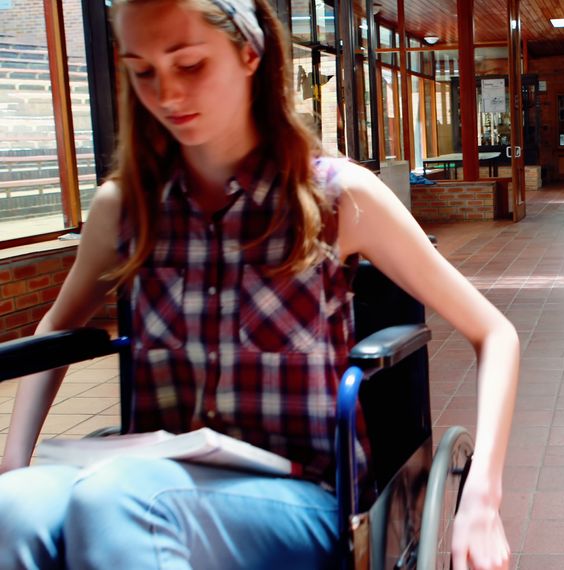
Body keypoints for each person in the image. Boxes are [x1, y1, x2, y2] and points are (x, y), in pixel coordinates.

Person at [0, 0, 519, 568]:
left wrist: (483, 497)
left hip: (299, 496)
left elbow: (494, 333)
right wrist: (14, 460)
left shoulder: (336, 197)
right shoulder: (127, 208)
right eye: (142, 72)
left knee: (119, 501)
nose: (167, 96)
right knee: (16, 506)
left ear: (250, 53)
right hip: (148, 472)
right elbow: (58, 324)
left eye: (190, 65)